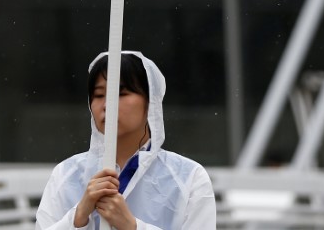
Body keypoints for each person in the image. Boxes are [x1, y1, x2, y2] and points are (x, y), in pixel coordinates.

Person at [35, 51, 215, 230]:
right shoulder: (66, 174)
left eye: (121, 94)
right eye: (98, 95)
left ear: (151, 101)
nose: (107, 104)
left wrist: (133, 227)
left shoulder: (189, 178)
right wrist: (78, 217)